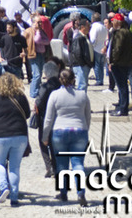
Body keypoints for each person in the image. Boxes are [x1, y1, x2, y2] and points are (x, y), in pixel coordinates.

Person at [42, 69, 92, 206]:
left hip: (60, 131)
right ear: (74, 79)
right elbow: (88, 115)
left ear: (60, 79)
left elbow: (48, 118)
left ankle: (63, 192)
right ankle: (81, 192)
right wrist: (85, 128)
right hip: (79, 130)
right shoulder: (82, 95)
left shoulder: (55, 95)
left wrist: (45, 136)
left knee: (62, 165)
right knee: (78, 164)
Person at [0, 73, 31, 207]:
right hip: (19, 135)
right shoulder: (21, 96)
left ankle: (4, 187)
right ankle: (14, 197)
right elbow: (27, 114)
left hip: (1, 136)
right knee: (15, 167)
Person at [35, 62, 62, 179]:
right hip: (60, 117)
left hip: (45, 118)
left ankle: (49, 167)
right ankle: (56, 167)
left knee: (43, 142)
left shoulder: (45, 86)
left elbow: (39, 101)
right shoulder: (61, 84)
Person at [108, 13, 132, 116]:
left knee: (121, 86)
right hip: (126, 62)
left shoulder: (119, 33)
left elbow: (117, 48)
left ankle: (123, 108)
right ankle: (122, 107)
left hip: (119, 63)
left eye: (113, 21)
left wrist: (113, 61)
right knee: (123, 86)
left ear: (118, 22)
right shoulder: (128, 32)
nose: (112, 22)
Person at [68, 18, 93, 91]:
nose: (89, 28)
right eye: (88, 26)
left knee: (83, 85)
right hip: (81, 66)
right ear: (82, 27)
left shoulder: (85, 36)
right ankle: (80, 101)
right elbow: (77, 53)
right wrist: (84, 63)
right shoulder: (79, 38)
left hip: (85, 65)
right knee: (82, 85)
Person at [89, 13, 109, 87]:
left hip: (96, 48)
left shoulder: (94, 27)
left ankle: (99, 80)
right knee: (101, 65)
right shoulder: (103, 27)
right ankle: (101, 79)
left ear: (93, 19)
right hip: (103, 48)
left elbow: (93, 39)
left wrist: (91, 46)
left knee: (96, 65)